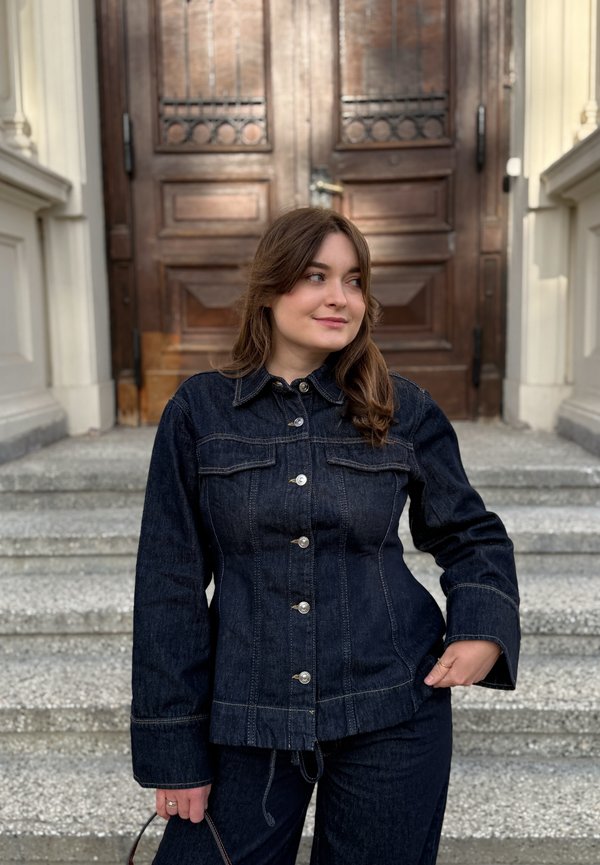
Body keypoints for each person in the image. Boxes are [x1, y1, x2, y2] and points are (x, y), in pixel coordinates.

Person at [131, 207, 520, 865]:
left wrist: (483, 627)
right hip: (246, 716)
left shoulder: (403, 407)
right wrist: (174, 751)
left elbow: (470, 533)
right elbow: (167, 583)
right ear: (269, 288)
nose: (341, 297)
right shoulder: (199, 411)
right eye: (316, 276)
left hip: (392, 707)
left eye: (354, 280)